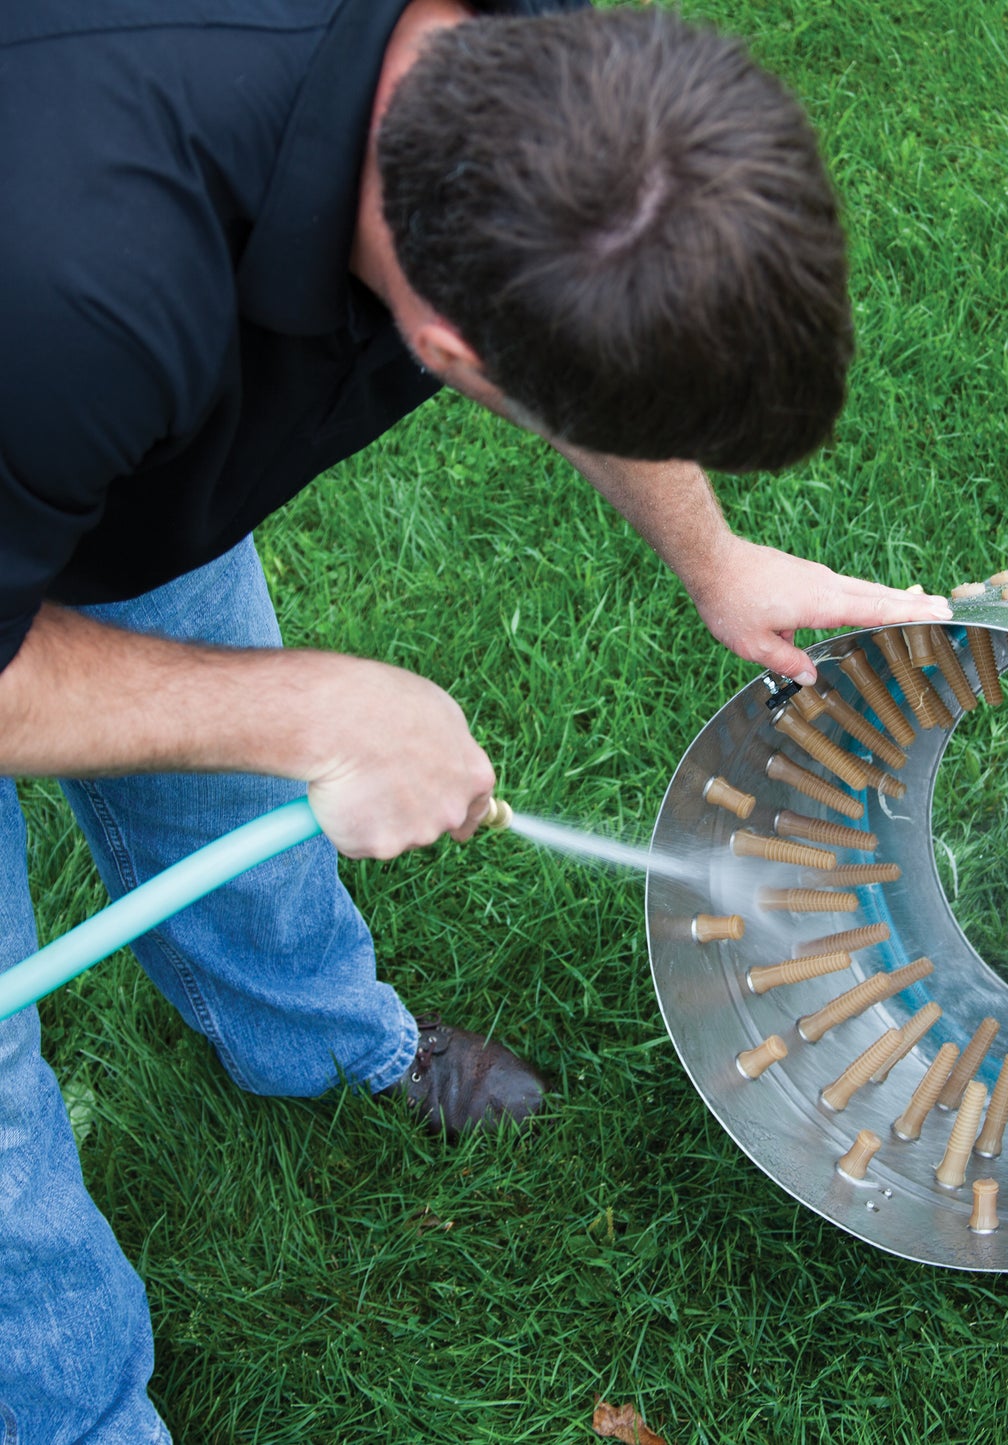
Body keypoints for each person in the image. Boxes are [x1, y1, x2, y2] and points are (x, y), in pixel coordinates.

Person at [0, 0, 951, 1435]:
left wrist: (716, 558)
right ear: (443, 345)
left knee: (229, 766)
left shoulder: (515, 58)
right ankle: (74, 1411)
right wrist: (316, 706)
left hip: (100, 445)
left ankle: (314, 1036)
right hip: (54, 371)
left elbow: (583, 290)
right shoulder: (79, 286)